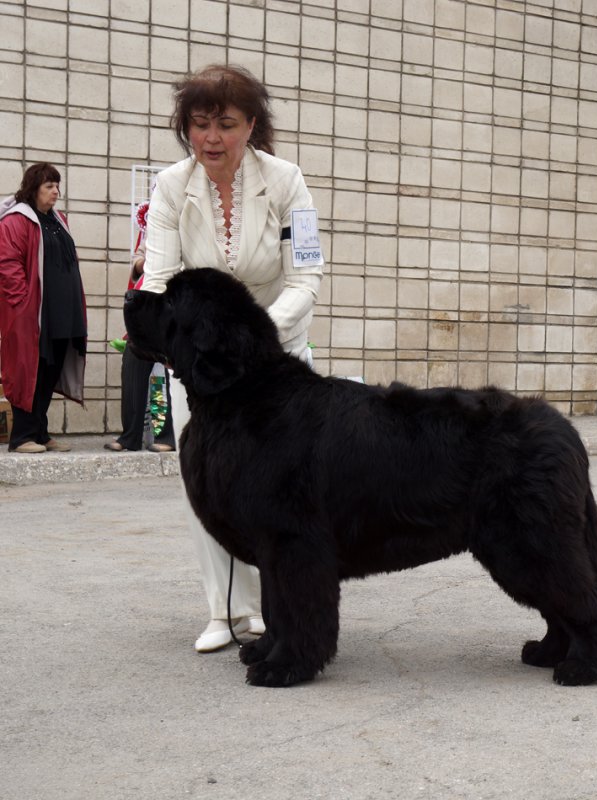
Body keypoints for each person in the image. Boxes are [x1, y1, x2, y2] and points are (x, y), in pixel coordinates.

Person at [141, 64, 324, 652]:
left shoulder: (288, 181)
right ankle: (224, 612)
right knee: (212, 485)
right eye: (199, 124)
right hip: (202, 369)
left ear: (252, 126)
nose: (211, 138)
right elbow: (160, 279)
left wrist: (257, 334)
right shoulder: (170, 187)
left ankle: (280, 609)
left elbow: (307, 275)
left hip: (278, 362)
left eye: (226, 124)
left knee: (283, 492)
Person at [0, 162, 86, 454]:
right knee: (28, 368)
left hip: (62, 312)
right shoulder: (17, 221)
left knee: (50, 368)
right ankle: (22, 437)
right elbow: (8, 265)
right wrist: (21, 302)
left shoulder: (58, 220)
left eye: (57, 186)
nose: (55, 192)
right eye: (49, 186)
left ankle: (40, 432)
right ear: (33, 188)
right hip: (33, 312)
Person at [105, 215, 175, 453]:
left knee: (171, 375)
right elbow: (137, 261)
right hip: (147, 304)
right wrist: (142, 263)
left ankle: (167, 436)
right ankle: (130, 437)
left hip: (174, 307)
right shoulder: (154, 226)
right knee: (133, 361)